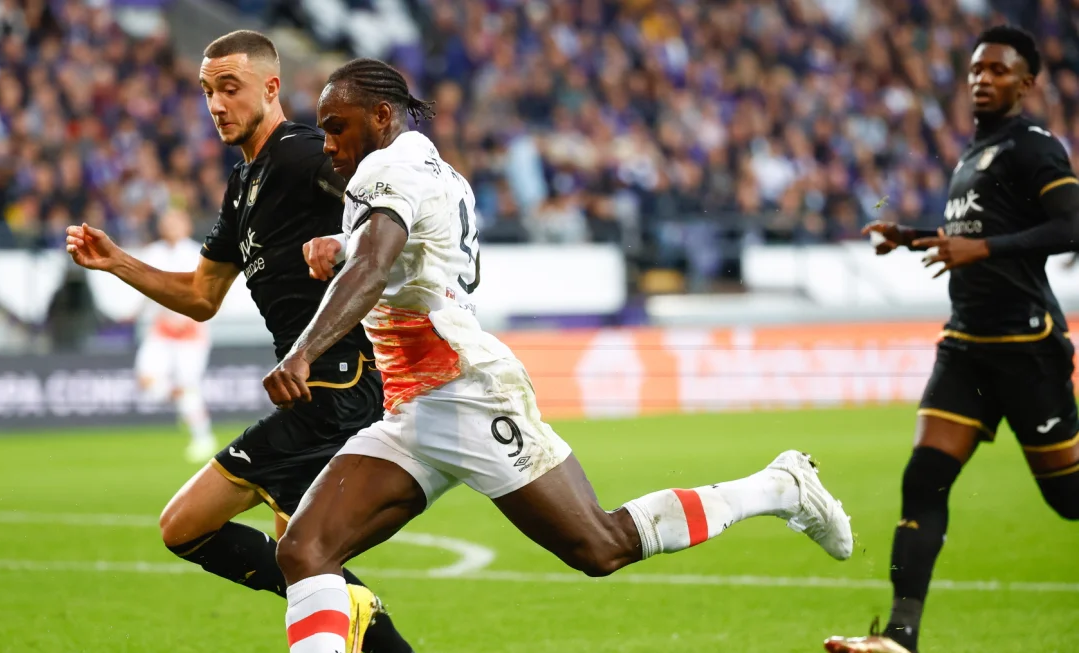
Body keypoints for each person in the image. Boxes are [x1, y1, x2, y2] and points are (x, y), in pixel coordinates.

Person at [265, 57, 854, 653]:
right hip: (414, 407)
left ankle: (778, 488)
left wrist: (303, 352)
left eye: (337, 126)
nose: (328, 143)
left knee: (600, 545)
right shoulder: (434, 168)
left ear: (380, 115)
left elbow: (374, 266)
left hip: (464, 394)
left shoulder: (385, 168)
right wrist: (343, 244)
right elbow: (412, 252)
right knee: (306, 550)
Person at [64, 31, 412, 653]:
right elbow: (202, 296)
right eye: (207, 92)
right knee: (305, 560)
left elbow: (395, 206)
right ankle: (358, 612)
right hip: (309, 388)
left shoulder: (306, 155)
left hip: (342, 382)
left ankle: (352, 606)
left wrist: (346, 244)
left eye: (230, 88)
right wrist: (119, 262)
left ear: (271, 88)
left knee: (192, 527)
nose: (217, 104)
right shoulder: (244, 183)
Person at [826, 26, 1079, 653]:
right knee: (923, 480)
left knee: (1069, 499)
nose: (982, 79)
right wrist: (910, 237)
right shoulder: (973, 155)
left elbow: (1071, 226)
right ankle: (899, 638)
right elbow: (968, 236)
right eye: (975, 70)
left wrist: (983, 248)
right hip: (965, 346)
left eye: (998, 70)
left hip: (1025, 347)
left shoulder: (1033, 146)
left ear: (1026, 83)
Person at [132, 208, 217, 463]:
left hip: (191, 333)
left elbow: (210, 292)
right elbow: (145, 288)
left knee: (188, 387)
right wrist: (135, 313)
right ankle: (181, 402)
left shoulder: (197, 254)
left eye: (176, 222)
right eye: (167, 222)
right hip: (162, 329)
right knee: (147, 382)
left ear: (187, 226)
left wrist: (191, 319)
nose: (171, 227)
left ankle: (203, 437)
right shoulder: (153, 253)